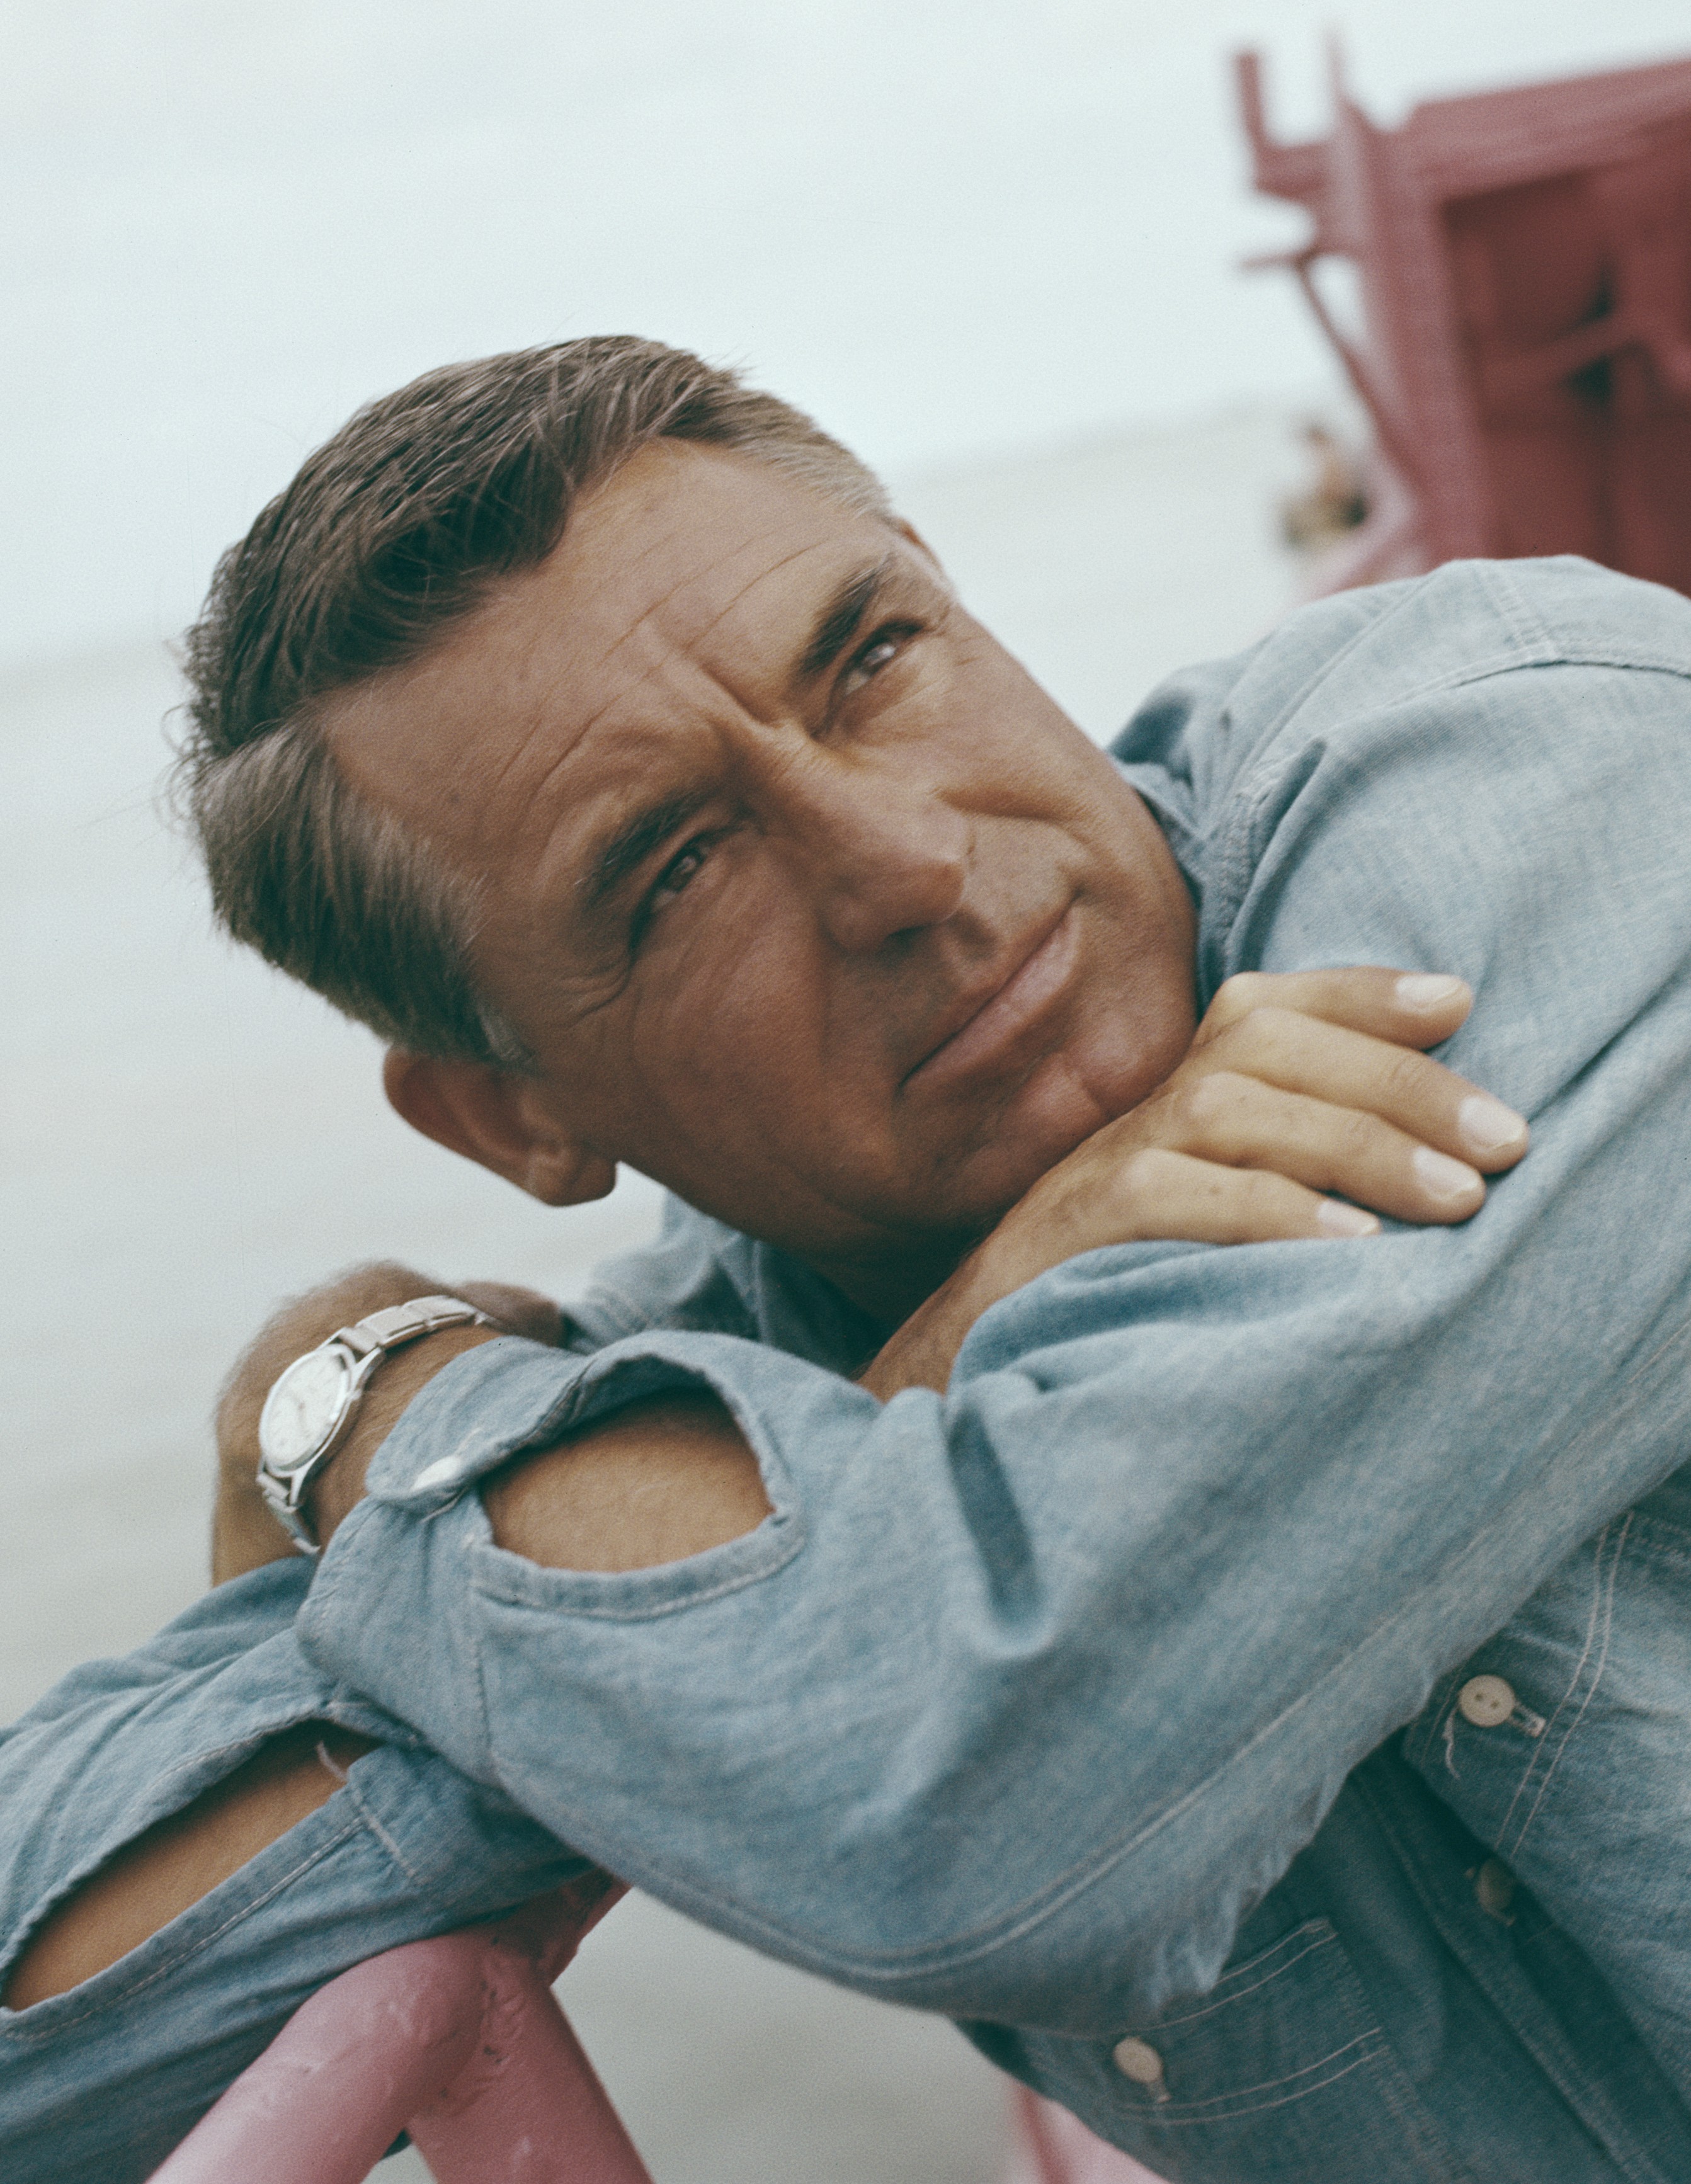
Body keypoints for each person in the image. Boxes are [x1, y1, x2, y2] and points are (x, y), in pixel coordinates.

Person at [6, 337, 1691, 2180]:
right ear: (512, 1118)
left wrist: (362, 1412)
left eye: (873, 661)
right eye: (673, 870)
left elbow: (989, 1786)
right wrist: (480, 1452)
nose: (904, 864)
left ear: (944, 585)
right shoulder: (700, 1390)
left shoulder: (1525, 769)